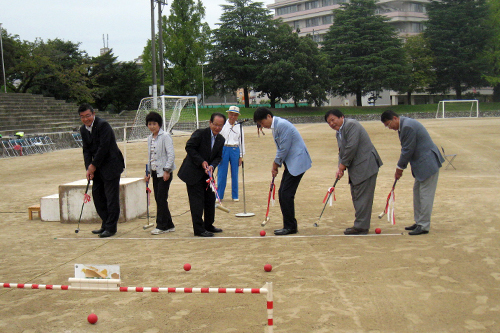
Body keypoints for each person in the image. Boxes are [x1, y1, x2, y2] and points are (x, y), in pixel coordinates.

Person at [381, 110, 444, 235]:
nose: (389, 128)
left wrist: (399, 168)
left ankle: (424, 225)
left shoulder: (407, 126)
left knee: (425, 195)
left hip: (428, 163)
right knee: (417, 193)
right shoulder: (403, 125)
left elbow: (407, 150)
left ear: (395, 118)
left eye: (389, 124)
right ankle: (419, 222)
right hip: (421, 165)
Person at [253, 107, 312, 236]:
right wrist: (278, 164)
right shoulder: (276, 126)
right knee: (283, 193)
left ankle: (290, 226)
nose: (263, 126)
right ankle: (289, 225)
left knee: (286, 194)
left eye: (262, 123)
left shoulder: (282, 125)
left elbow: (284, 148)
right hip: (291, 163)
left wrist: (275, 164)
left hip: (297, 161)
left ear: (269, 116)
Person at [325, 109, 383, 235]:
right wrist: (340, 169)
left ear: (341, 117)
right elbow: (342, 151)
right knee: (357, 195)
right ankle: (361, 224)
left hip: (365, 165)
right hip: (356, 167)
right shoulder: (338, 133)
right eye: (329, 122)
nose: (331, 124)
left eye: (333, 120)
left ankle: (361, 226)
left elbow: (351, 147)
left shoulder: (351, 125)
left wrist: (343, 165)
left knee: (362, 197)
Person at [78, 103, 124, 238]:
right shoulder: (83, 129)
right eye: (82, 117)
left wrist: (93, 165)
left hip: (111, 165)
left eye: (88, 116)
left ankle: (111, 227)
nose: (86, 119)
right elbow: (86, 150)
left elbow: (103, 147)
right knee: (98, 197)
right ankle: (105, 223)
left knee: (111, 198)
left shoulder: (103, 125)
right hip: (97, 168)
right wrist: (89, 168)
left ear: (93, 114)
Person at [177, 112, 226, 237]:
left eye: (220, 126)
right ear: (210, 123)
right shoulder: (200, 133)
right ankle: (198, 229)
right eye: (215, 124)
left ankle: (208, 225)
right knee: (197, 202)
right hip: (193, 173)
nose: (217, 128)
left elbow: (218, 157)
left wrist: (212, 166)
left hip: (207, 175)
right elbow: (189, 147)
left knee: (210, 200)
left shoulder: (221, 139)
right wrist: (201, 162)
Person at [144, 112, 175, 235]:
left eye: (154, 124)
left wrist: (167, 170)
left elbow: (171, 154)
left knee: (161, 198)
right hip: (154, 172)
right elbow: (150, 156)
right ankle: (169, 224)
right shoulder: (149, 138)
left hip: (164, 172)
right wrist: (148, 172)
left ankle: (161, 225)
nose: (152, 126)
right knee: (159, 198)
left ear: (159, 124)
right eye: (150, 124)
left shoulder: (165, 136)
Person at [217, 106, 245, 202]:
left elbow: (241, 141)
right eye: (231, 114)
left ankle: (235, 195)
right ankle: (219, 195)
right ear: (228, 114)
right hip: (224, 149)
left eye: (235, 115)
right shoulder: (223, 125)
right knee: (222, 173)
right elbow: (218, 139)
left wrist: (241, 155)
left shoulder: (239, 126)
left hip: (235, 149)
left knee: (235, 173)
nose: (233, 117)